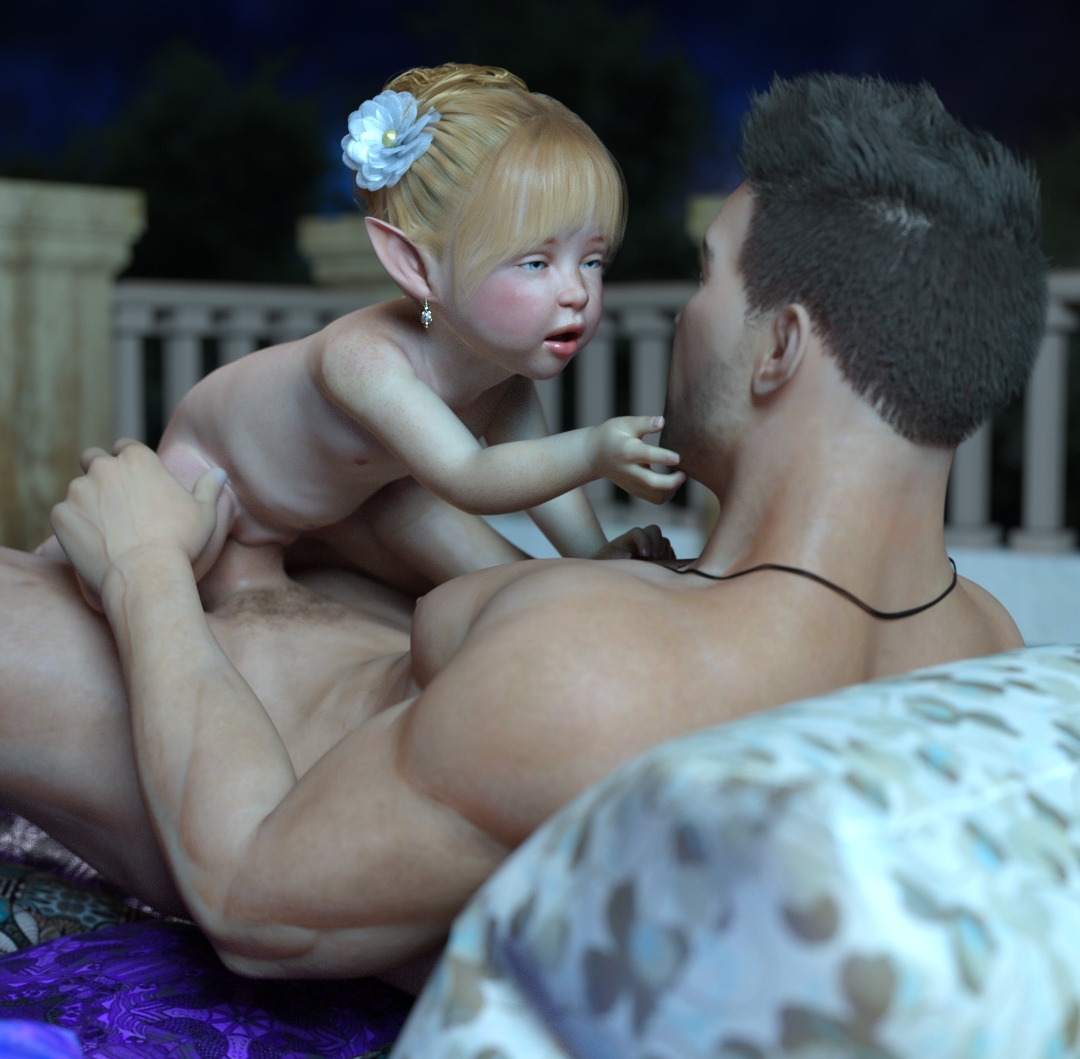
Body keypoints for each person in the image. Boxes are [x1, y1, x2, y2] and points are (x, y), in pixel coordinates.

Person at [1, 73, 1043, 983]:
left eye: (704, 279)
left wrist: (144, 567)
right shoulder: (985, 645)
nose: (677, 316)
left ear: (779, 349)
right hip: (299, 622)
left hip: (205, 713)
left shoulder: (598, 674)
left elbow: (255, 901)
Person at [37, 63, 684, 601]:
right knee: (139, 572)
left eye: (592, 261)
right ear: (414, 267)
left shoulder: (496, 373)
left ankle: (581, 583)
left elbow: (536, 474)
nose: (577, 292)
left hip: (355, 501)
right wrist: (594, 449)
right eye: (536, 263)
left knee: (512, 583)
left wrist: (592, 549)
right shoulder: (363, 358)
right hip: (219, 480)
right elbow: (469, 474)